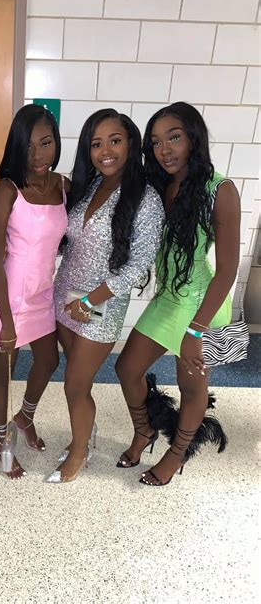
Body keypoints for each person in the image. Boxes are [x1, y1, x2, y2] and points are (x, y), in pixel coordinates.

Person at [115, 102, 240, 486]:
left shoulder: (220, 189)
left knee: (192, 385)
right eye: (155, 142)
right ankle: (145, 431)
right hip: (169, 298)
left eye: (174, 137)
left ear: (193, 139)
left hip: (204, 303)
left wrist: (197, 329)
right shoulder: (159, 185)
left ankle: (177, 453)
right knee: (127, 368)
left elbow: (228, 269)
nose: (164, 149)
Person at [47, 108, 165, 484]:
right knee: (76, 380)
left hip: (100, 305)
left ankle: (80, 450)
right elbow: (70, 243)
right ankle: (85, 433)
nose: (106, 150)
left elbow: (137, 267)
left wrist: (90, 300)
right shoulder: (89, 186)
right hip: (65, 295)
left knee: (75, 385)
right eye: (96, 144)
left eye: (115, 140)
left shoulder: (146, 199)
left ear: (131, 142)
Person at [0, 104, 69, 479]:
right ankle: (2, 438)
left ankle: (25, 415)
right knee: (4, 368)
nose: (38, 155)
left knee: (49, 360)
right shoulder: (7, 190)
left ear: (56, 143)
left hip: (44, 292)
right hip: (10, 294)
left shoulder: (64, 186)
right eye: (29, 147)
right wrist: (5, 320)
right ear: (16, 148)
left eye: (46, 143)